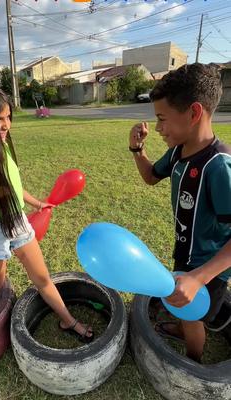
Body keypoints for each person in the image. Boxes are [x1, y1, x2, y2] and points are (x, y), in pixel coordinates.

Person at [0, 82, 93, 343]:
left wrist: (36, 202)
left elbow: (12, 187)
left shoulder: (3, 145)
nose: (7, 125)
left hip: (17, 220)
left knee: (42, 277)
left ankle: (67, 319)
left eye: (8, 117)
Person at [129, 63, 231, 362]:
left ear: (194, 113)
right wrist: (138, 151)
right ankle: (185, 325)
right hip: (185, 254)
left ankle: (192, 361)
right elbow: (150, 177)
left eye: (162, 119)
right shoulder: (178, 151)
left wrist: (199, 278)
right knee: (184, 307)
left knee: (193, 316)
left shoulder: (219, 168)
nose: (158, 128)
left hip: (208, 267)